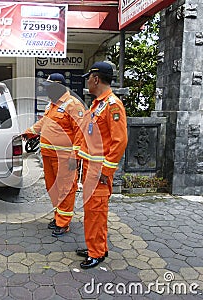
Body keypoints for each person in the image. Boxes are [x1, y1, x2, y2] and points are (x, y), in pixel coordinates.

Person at [76, 62, 128, 269]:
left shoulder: (113, 105)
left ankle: (96, 253)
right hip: (90, 170)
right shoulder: (98, 104)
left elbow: (120, 141)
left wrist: (106, 170)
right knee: (92, 212)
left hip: (99, 173)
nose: (88, 81)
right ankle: (96, 246)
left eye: (89, 78)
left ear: (96, 79)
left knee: (96, 212)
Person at [23, 73, 86, 237]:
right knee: (53, 188)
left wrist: (75, 156)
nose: (47, 91)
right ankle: (58, 216)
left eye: (49, 88)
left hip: (65, 158)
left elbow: (80, 132)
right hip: (48, 155)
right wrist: (30, 132)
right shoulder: (51, 105)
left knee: (65, 189)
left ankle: (63, 223)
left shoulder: (73, 105)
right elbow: (44, 122)